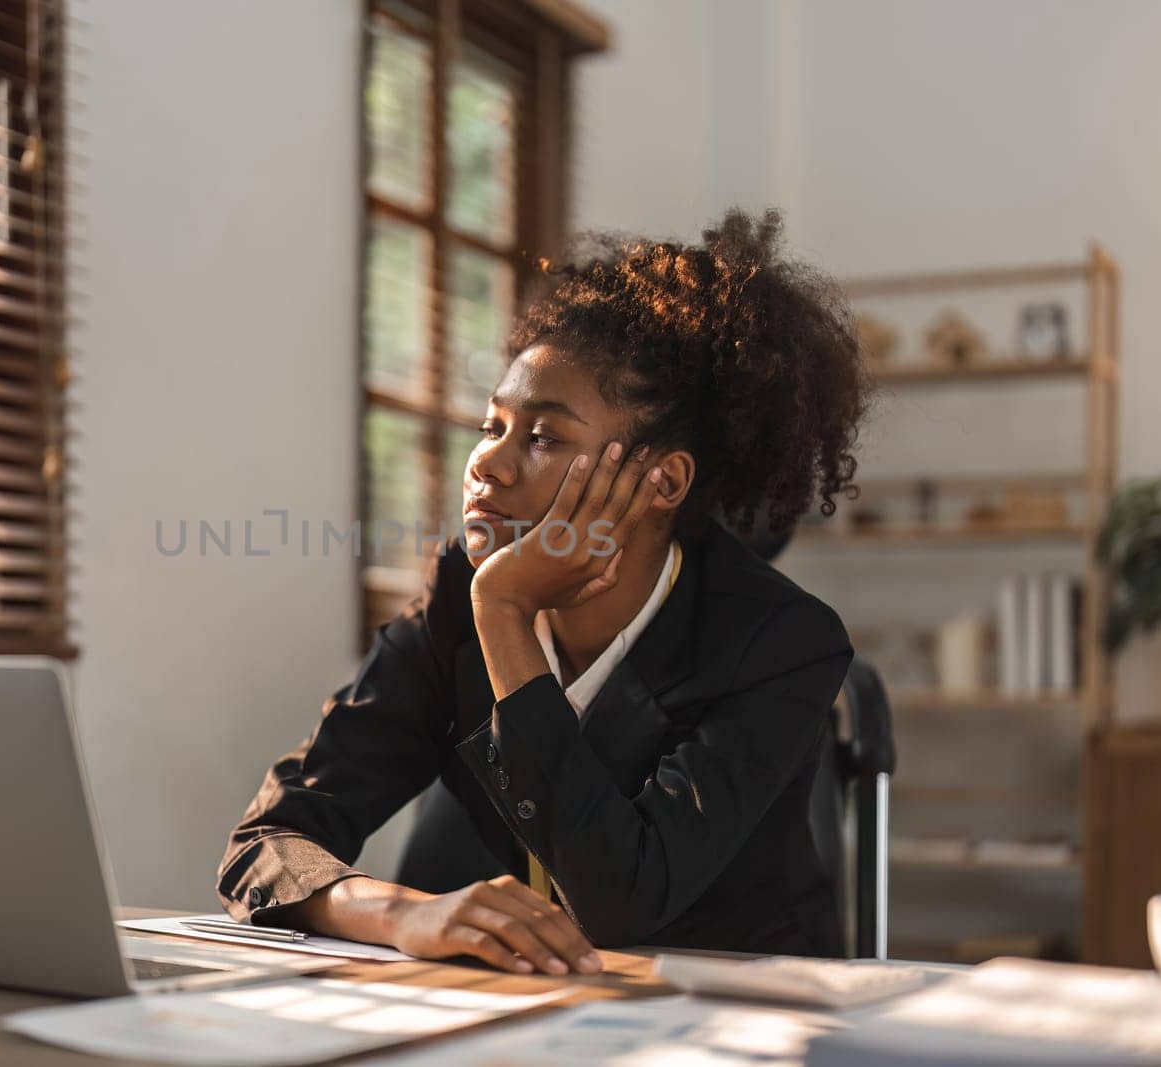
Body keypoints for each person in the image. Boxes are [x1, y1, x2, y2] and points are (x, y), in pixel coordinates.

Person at [217, 209, 869, 975]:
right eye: (492, 424)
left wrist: (506, 615)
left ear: (662, 479)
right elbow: (263, 845)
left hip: (742, 1017)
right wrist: (402, 912)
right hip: (538, 1018)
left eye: (543, 436)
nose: (486, 463)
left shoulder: (779, 641)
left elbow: (619, 901)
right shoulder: (455, 601)